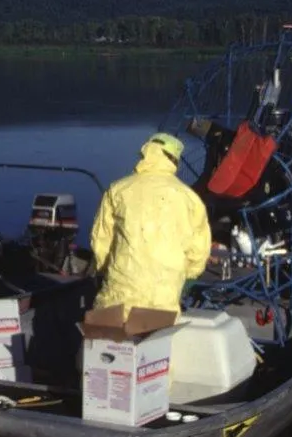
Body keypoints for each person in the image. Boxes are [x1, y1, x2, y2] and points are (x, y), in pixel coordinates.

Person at [90, 132, 212, 318]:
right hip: (164, 302)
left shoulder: (118, 190)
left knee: (106, 324)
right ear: (174, 161)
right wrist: (184, 275)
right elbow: (198, 254)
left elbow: (101, 242)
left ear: (147, 153)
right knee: (160, 332)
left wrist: (106, 270)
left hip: (118, 299)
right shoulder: (190, 199)